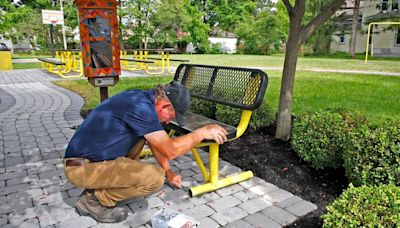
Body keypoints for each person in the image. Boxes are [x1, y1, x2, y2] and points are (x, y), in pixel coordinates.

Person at [63, 81, 228, 223]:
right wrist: (200, 133)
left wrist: (169, 172)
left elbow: (156, 143)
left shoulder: (139, 98)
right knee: (154, 178)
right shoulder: (140, 109)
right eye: (172, 116)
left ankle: (105, 182)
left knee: (142, 138)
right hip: (80, 168)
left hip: (85, 161)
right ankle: (94, 200)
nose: (169, 121)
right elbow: (170, 150)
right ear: (164, 105)